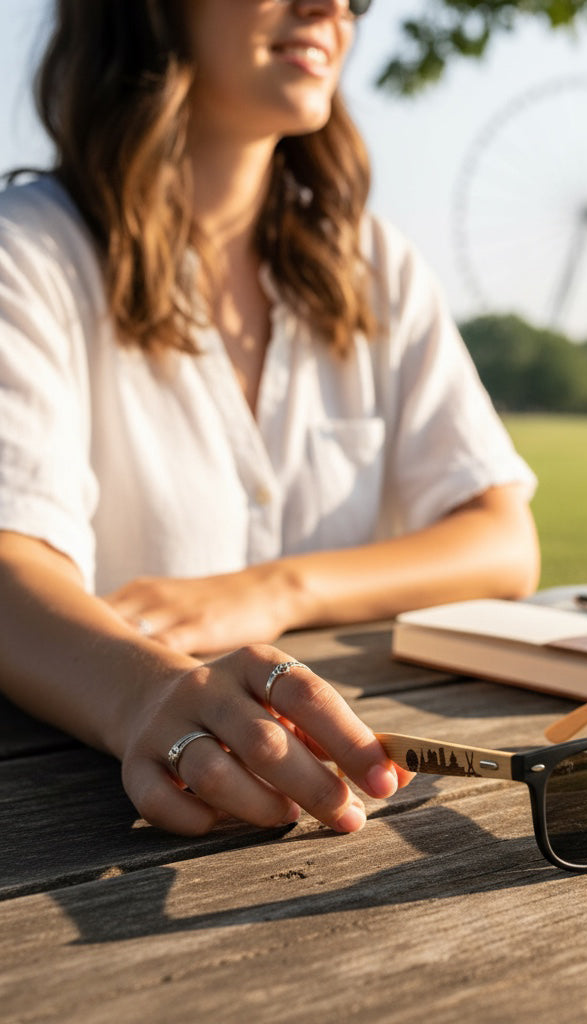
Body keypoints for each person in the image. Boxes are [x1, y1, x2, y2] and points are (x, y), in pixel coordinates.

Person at [0, 0, 539, 839]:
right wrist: (146, 694)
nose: (333, 6)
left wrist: (276, 589)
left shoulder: (376, 268)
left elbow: (504, 540)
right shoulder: (29, 257)